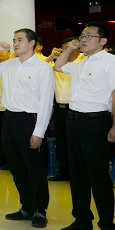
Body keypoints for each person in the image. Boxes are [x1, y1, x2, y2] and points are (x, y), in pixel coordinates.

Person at [53, 23, 115, 230]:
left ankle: (108, 228)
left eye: (89, 36)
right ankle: (82, 221)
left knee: (98, 176)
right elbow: (58, 66)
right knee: (77, 174)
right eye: (82, 36)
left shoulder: (111, 61)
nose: (83, 39)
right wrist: (70, 48)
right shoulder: (81, 62)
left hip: (96, 122)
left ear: (103, 41)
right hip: (73, 121)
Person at [0, 29, 55, 228]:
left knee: (35, 167)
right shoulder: (9, 65)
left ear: (32, 43)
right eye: (14, 40)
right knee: (16, 166)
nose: (16, 43)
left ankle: (40, 209)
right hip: (9, 118)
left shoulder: (42, 68)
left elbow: (46, 102)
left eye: (20, 40)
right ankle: (27, 206)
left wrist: (39, 131)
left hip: (31, 119)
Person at [48, 38, 80, 181]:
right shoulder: (56, 65)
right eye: (63, 48)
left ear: (77, 49)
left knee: (74, 142)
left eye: (69, 47)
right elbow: (38, 70)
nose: (65, 51)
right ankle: (63, 171)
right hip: (59, 109)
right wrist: (51, 57)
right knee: (61, 141)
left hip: (74, 109)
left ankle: (75, 173)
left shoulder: (81, 64)